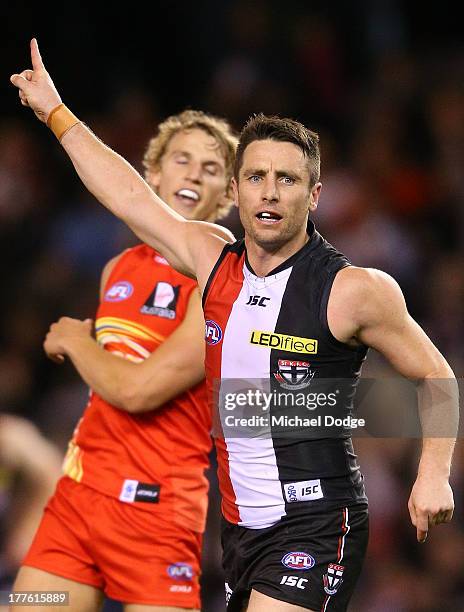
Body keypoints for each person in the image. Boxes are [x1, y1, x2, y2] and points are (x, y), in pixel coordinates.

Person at [10, 40, 457, 612]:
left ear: (314, 194)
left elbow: (436, 375)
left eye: (288, 180)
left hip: (315, 525)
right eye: (256, 176)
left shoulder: (353, 290)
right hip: (238, 532)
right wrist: (55, 112)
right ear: (239, 190)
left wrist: (433, 475)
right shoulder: (212, 259)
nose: (270, 191)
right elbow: (126, 195)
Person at [10, 104, 237, 611]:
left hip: (156, 513)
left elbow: (138, 390)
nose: (193, 174)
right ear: (151, 173)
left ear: (227, 195)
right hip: (78, 499)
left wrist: (76, 342)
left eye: (211, 168)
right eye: (181, 159)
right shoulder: (118, 267)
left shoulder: (222, 273)